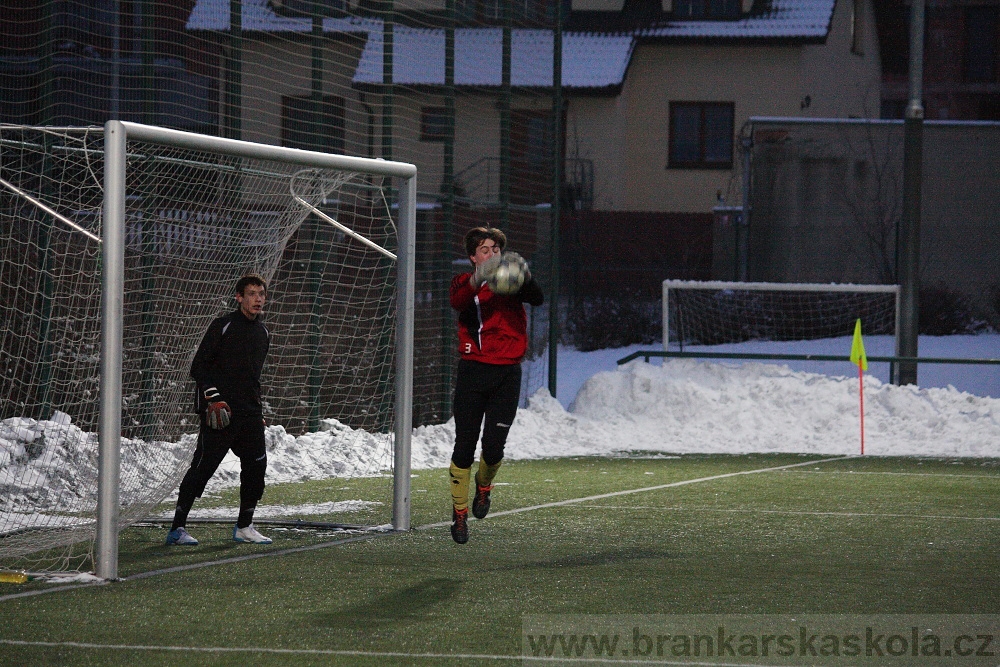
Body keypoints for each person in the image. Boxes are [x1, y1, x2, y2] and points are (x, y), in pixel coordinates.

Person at [447, 227, 544, 544]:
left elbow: (538, 298)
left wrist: (525, 277)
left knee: (493, 446)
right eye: (484, 249)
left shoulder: (511, 283)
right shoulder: (464, 284)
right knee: (464, 445)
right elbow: (458, 300)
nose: (490, 253)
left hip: (506, 375)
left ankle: (484, 486)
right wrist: (480, 277)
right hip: (473, 373)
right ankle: (459, 515)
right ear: (473, 257)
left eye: (495, 249)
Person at [166, 274, 273, 546]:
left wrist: (257, 410)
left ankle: (244, 526)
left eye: (261, 293)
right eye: (251, 293)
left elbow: (253, 378)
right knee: (202, 468)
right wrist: (212, 399)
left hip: (249, 413)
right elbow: (198, 367)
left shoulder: (263, 333)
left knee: (257, 466)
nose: (258, 298)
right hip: (220, 413)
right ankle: (177, 528)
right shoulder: (222, 326)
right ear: (239, 297)